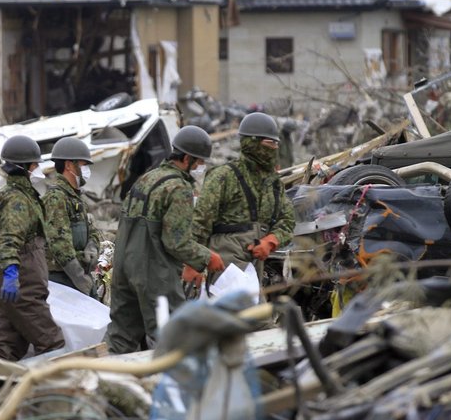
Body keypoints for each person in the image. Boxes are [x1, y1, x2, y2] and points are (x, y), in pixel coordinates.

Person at [105, 125, 225, 354]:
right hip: (153, 272)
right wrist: (207, 256)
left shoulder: (147, 179)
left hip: (123, 268)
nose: (201, 167)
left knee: (120, 339)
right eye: (200, 162)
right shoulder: (178, 188)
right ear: (188, 158)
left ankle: (106, 383)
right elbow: (176, 242)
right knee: (174, 339)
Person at [192, 112, 295, 282]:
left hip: (254, 265)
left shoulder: (274, 183)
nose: (274, 148)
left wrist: (271, 241)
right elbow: (200, 222)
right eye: (269, 143)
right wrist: (193, 263)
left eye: (276, 144)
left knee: (257, 308)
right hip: (223, 263)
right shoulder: (224, 177)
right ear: (251, 143)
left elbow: (288, 221)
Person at [0, 135, 65, 361]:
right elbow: (8, 239)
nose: (39, 169)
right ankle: (50, 395)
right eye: (35, 164)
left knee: (7, 349)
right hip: (23, 285)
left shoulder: (10, 195)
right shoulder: (18, 201)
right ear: (24, 168)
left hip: (8, 286)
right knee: (52, 344)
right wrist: (12, 274)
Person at [42, 137, 102, 297]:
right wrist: (79, 278)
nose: (86, 170)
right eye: (83, 165)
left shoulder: (75, 197)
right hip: (64, 280)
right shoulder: (56, 197)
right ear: (69, 165)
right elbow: (58, 243)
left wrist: (92, 246)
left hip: (81, 275)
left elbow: (93, 230)